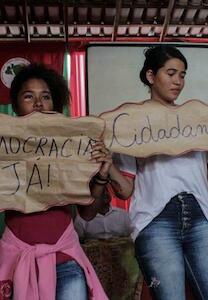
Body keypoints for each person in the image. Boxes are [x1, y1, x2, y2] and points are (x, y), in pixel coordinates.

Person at [108, 45, 208, 300]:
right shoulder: (131, 123)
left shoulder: (196, 120)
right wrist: (108, 163)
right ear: (150, 76)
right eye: (171, 73)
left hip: (201, 216)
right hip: (156, 221)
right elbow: (125, 190)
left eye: (182, 75)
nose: (178, 81)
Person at [0, 63, 109, 300]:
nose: (38, 103)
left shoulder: (73, 148)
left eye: (46, 97)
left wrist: (101, 174)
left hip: (66, 259)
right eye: (29, 96)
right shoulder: (3, 150)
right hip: (18, 259)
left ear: (55, 104)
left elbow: (88, 214)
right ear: (16, 105)